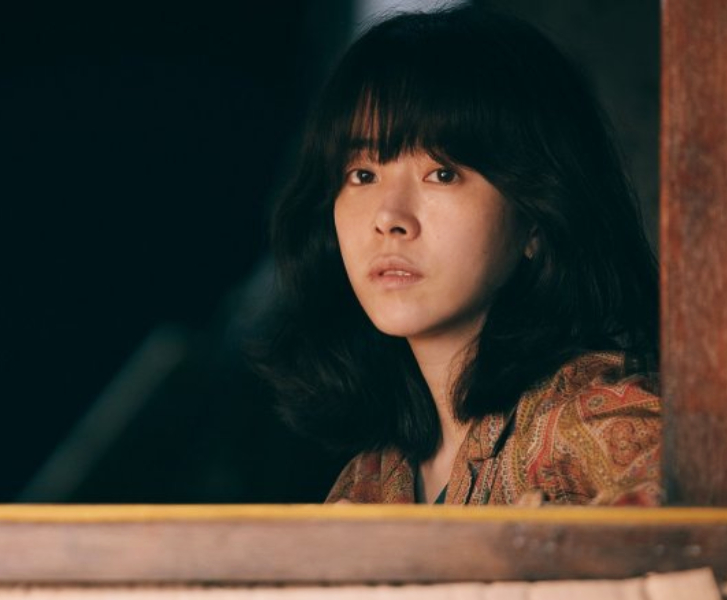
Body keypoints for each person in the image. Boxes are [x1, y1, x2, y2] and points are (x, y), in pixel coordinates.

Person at [261, 6, 661, 505]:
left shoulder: (598, 423)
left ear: (535, 218)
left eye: (442, 173)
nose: (389, 217)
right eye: (363, 174)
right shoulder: (371, 478)